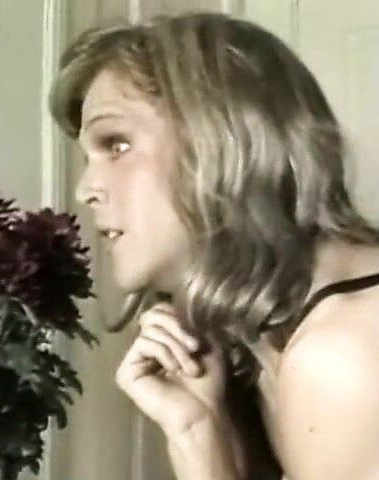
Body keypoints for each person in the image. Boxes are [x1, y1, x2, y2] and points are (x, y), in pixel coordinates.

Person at [49, 12, 379, 480]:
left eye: (116, 144)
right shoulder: (266, 341)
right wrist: (197, 433)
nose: (86, 189)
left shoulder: (341, 355)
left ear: (222, 140)